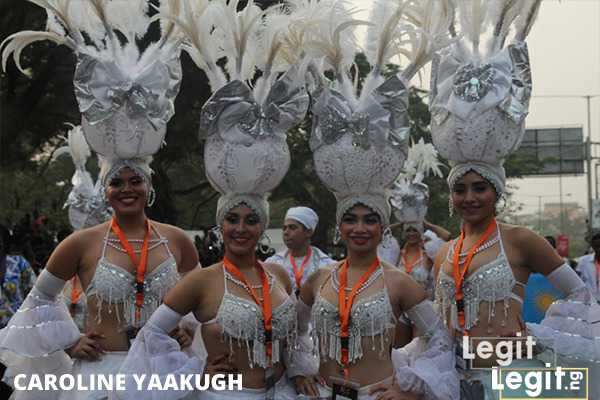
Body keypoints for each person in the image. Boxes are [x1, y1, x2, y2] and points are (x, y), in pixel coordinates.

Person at [0, 2, 199, 399]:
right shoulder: (80, 243)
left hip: (163, 373)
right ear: (106, 191)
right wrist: (70, 341)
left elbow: (200, 297)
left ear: (149, 187)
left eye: (134, 181)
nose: (126, 188)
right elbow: (39, 298)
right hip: (101, 374)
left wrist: (188, 328)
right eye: (117, 182)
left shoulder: (177, 240)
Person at [117, 2, 314, 398]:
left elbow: (293, 335)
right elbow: (150, 339)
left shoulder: (277, 275)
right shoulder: (201, 282)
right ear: (220, 224)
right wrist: (194, 373)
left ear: (262, 225)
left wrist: (298, 370)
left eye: (250, 220)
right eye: (232, 220)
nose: (240, 228)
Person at [428, 2, 599, 398]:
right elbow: (438, 329)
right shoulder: (444, 254)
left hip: (514, 381)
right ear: (451, 196)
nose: (470, 197)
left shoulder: (520, 240)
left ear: (496, 192)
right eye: (460, 189)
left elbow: (580, 295)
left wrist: (538, 336)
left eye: (479, 188)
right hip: (457, 381)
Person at [293, 2, 459, 398]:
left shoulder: (400, 283)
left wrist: (410, 388)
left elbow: (441, 342)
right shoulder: (318, 279)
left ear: (383, 227)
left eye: (371, 219)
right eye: (353, 219)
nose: (361, 227)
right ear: (339, 227)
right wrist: (301, 369)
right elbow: (290, 333)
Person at [266, 207, 334, 295]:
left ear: (308, 232)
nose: (286, 232)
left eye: (292, 228)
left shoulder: (326, 265)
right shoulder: (272, 263)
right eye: (284, 228)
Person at [575, 230, 600, 302]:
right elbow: (577, 281)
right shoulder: (583, 261)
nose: (599, 249)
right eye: (596, 246)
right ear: (592, 246)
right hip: (588, 303)